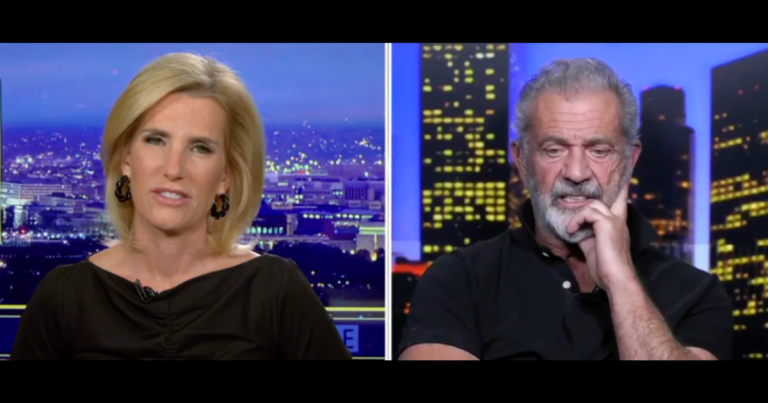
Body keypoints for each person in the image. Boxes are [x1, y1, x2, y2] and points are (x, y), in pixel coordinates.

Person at [11, 52, 351, 360]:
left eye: (200, 148)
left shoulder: (275, 292)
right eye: (155, 140)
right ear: (126, 157)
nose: (173, 168)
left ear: (226, 176)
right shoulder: (65, 299)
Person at [398, 58, 733, 360]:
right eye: (554, 150)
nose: (576, 173)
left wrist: (620, 278)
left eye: (598, 150)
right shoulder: (457, 279)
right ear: (522, 161)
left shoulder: (698, 293)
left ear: (630, 160)